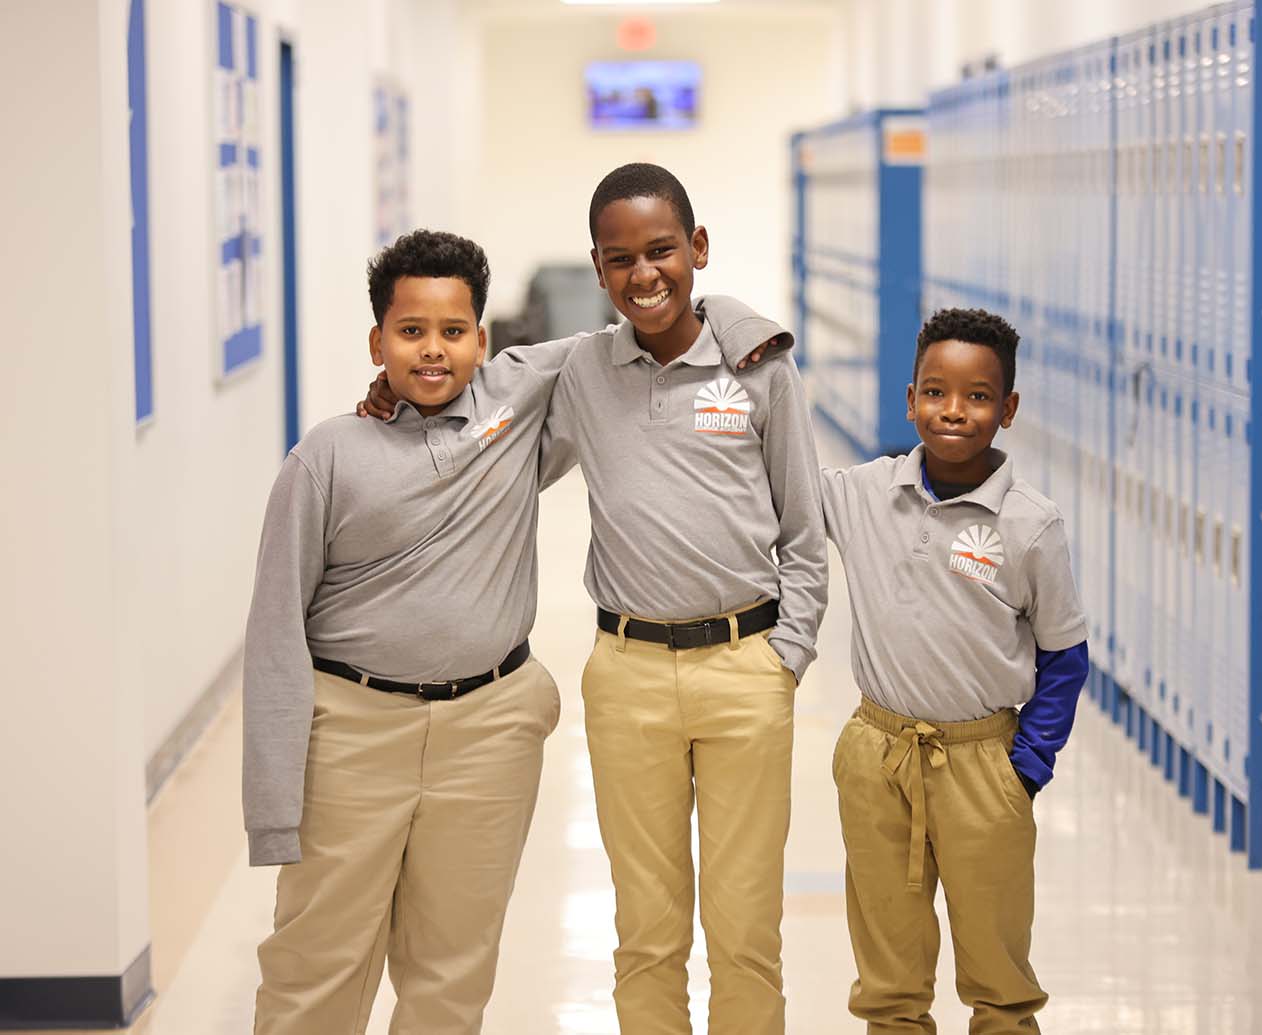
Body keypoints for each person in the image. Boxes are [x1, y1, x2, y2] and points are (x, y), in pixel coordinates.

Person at [243, 230, 573, 1035]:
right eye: (411, 330)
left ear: (483, 342)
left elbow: (632, 336)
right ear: (376, 342)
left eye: (453, 331)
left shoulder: (512, 411)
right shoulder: (326, 456)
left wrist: (738, 326)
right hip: (352, 734)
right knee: (315, 967)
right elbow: (275, 630)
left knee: (452, 974)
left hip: (489, 732)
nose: (432, 350)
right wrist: (272, 808)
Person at [539, 163, 828, 1035]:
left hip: (746, 670)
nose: (644, 274)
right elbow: (494, 423)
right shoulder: (583, 371)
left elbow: (804, 530)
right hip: (627, 675)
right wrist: (396, 400)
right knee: (646, 932)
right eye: (620, 258)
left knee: (745, 932)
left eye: (661, 249)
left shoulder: (758, 369)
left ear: (698, 247)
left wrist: (786, 658)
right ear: (598, 267)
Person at [820, 307, 1090, 1034]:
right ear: (911, 399)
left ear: (1008, 409)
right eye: (935, 392)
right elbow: (770, 475)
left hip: (984, 765)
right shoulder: (862, 492)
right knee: (888, 982)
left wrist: (1025, 767)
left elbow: (1065, 656)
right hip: (878, 758)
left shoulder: (1031, 523)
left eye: (977, 396)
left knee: (1000, 983)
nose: (953, 411)